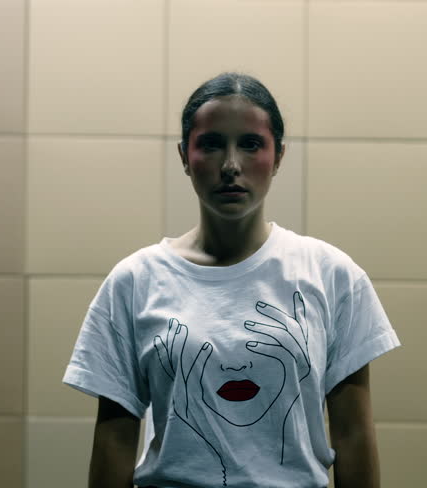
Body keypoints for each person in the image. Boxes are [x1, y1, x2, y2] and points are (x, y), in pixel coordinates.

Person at [63, 72, 400, 488]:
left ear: (278, 157)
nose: (230, 166)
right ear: (185, 156)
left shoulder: (331, 275)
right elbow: (115, 438)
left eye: (251, 144)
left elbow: (353, 435)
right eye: (211, 144)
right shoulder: (135, 282)